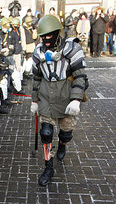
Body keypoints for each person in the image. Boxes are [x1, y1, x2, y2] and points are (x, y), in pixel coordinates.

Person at [31, 14, 88, 186]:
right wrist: (34, 100)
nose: (46, 40)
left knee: (66, 132)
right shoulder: (38, 52)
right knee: (46, 133)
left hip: (66, 94)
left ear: (57, 33)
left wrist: (76, 99)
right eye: (43, 36)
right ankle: (48, 166)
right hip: (46, 96)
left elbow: (80, 77)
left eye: (50, 35)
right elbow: (36, 78)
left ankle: (63, 144)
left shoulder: (72, 49)